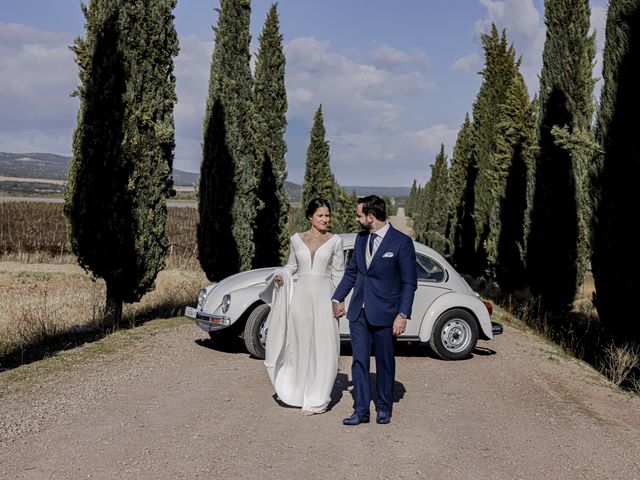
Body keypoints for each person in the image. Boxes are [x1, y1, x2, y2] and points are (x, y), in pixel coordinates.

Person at [332, 195, 417, 425]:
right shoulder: (360, 240)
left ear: (371, 216)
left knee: (384, 362)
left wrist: (402, 314)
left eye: (359, 214)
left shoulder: (401, 242)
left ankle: (383, 407)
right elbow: (352, 272)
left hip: (387, 315)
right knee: (358, 362)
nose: (356, 218)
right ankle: (360, 411)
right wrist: (337, 297)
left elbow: (409, 283)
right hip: (358, 312)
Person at [261, 198, 344, 415]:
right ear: (310, 217)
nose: (325, 219)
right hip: (301, 300)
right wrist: (282, 277)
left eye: (327, 215)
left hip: (325, 301)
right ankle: (297, 393)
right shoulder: (296, 239)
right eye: (321, 215)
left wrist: (339, 301)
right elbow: (291, 267)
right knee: (299, 347)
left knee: (325, 349)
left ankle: (317, 398)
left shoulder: (335, 241)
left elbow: (338, 274)